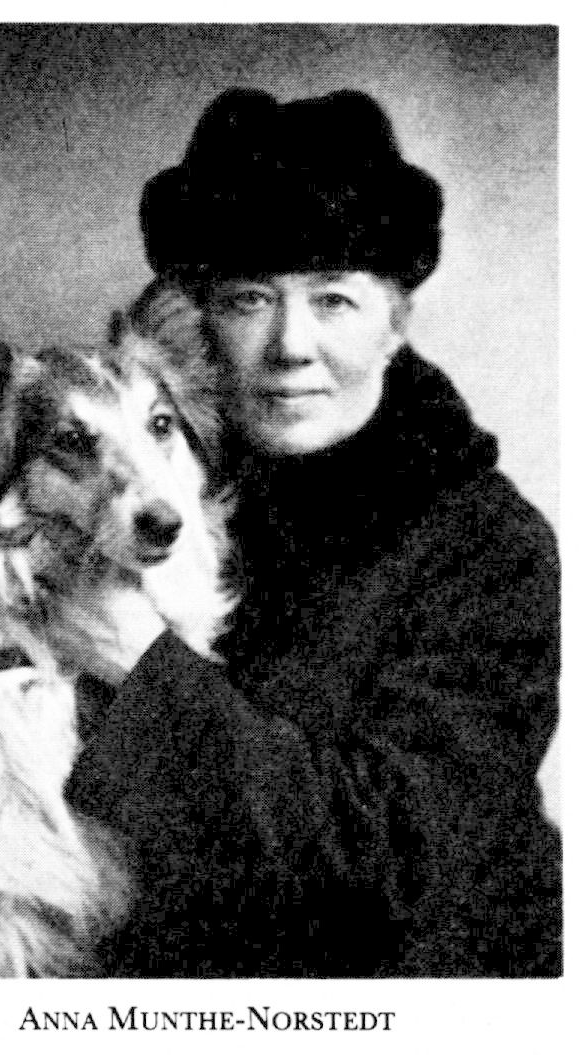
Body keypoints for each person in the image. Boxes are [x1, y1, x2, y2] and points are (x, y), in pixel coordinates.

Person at [68, 88, 561, 977]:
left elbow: (397, 863)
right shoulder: (138, 510)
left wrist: (143, 670)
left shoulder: (487, 545)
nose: (291, 345)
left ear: (395, 325)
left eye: (333, 299)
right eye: (249, 299)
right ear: (197, 327)